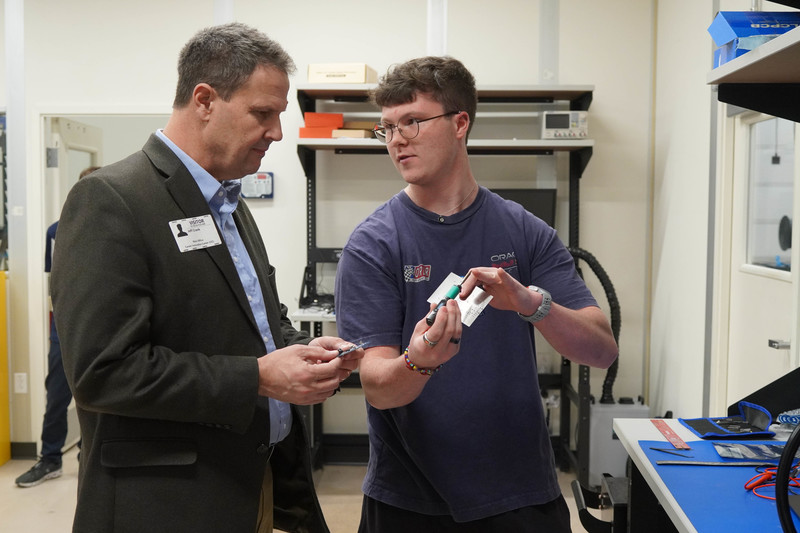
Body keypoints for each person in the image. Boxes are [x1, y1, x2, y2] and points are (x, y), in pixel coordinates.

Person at [50, 23, 362, 533]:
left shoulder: (229, 202)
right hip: (166, 503)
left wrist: (302, 351)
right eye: (263, 113)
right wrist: (258, 377)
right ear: (204, 100)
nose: (277, 133)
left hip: (250, 483)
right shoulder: (111, 199)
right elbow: (102, 372)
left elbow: (256, 320)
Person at [334, 56, 618, 532]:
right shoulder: (373, 244)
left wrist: (532, 304)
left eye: (412, 121)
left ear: (460, 123)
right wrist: (419, 360)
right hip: (412, 500)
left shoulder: (524, 230)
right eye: (388, 127)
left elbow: (602, 350)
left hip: (521, 494)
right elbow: (378, 388)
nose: (397, 139)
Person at [15, 165, 100, 488]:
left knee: (101, 396)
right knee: (57, 396)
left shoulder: (121, 225)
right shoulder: (56, 231)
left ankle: (89, 456)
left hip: (103, 326)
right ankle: (50, 458)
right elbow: (56, 280)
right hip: (64, 329)